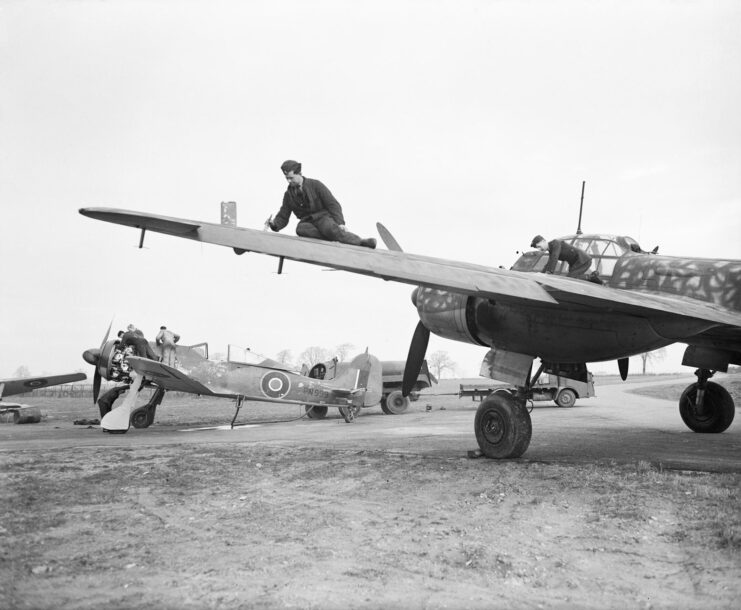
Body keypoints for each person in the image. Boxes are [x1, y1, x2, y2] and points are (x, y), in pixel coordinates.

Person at [265, 160, 377, 248]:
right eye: (287, 178)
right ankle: (333, 239)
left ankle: (360, 242)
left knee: (329, 228)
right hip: (307, 222)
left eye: (291, 178)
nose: (289, 181)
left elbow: (333, 204)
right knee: (301, 229)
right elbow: (283, 215)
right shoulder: (288, 195)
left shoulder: (316, 185)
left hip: (323, 217)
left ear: (299, 174)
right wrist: (275, 225)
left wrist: (340, 223)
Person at [530, 235, 596, 280]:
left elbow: (554, 257)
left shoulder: (555, 243)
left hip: (583, 259)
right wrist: (540, 274)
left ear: (543, 241)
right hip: (576, 263)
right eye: (537, 248)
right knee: (572, 278)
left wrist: (548, 273)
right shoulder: (551, 250)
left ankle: (592, 277)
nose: (539, 249)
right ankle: (594, 278)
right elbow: (549, 263)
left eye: (539, 246)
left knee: (570, 279)